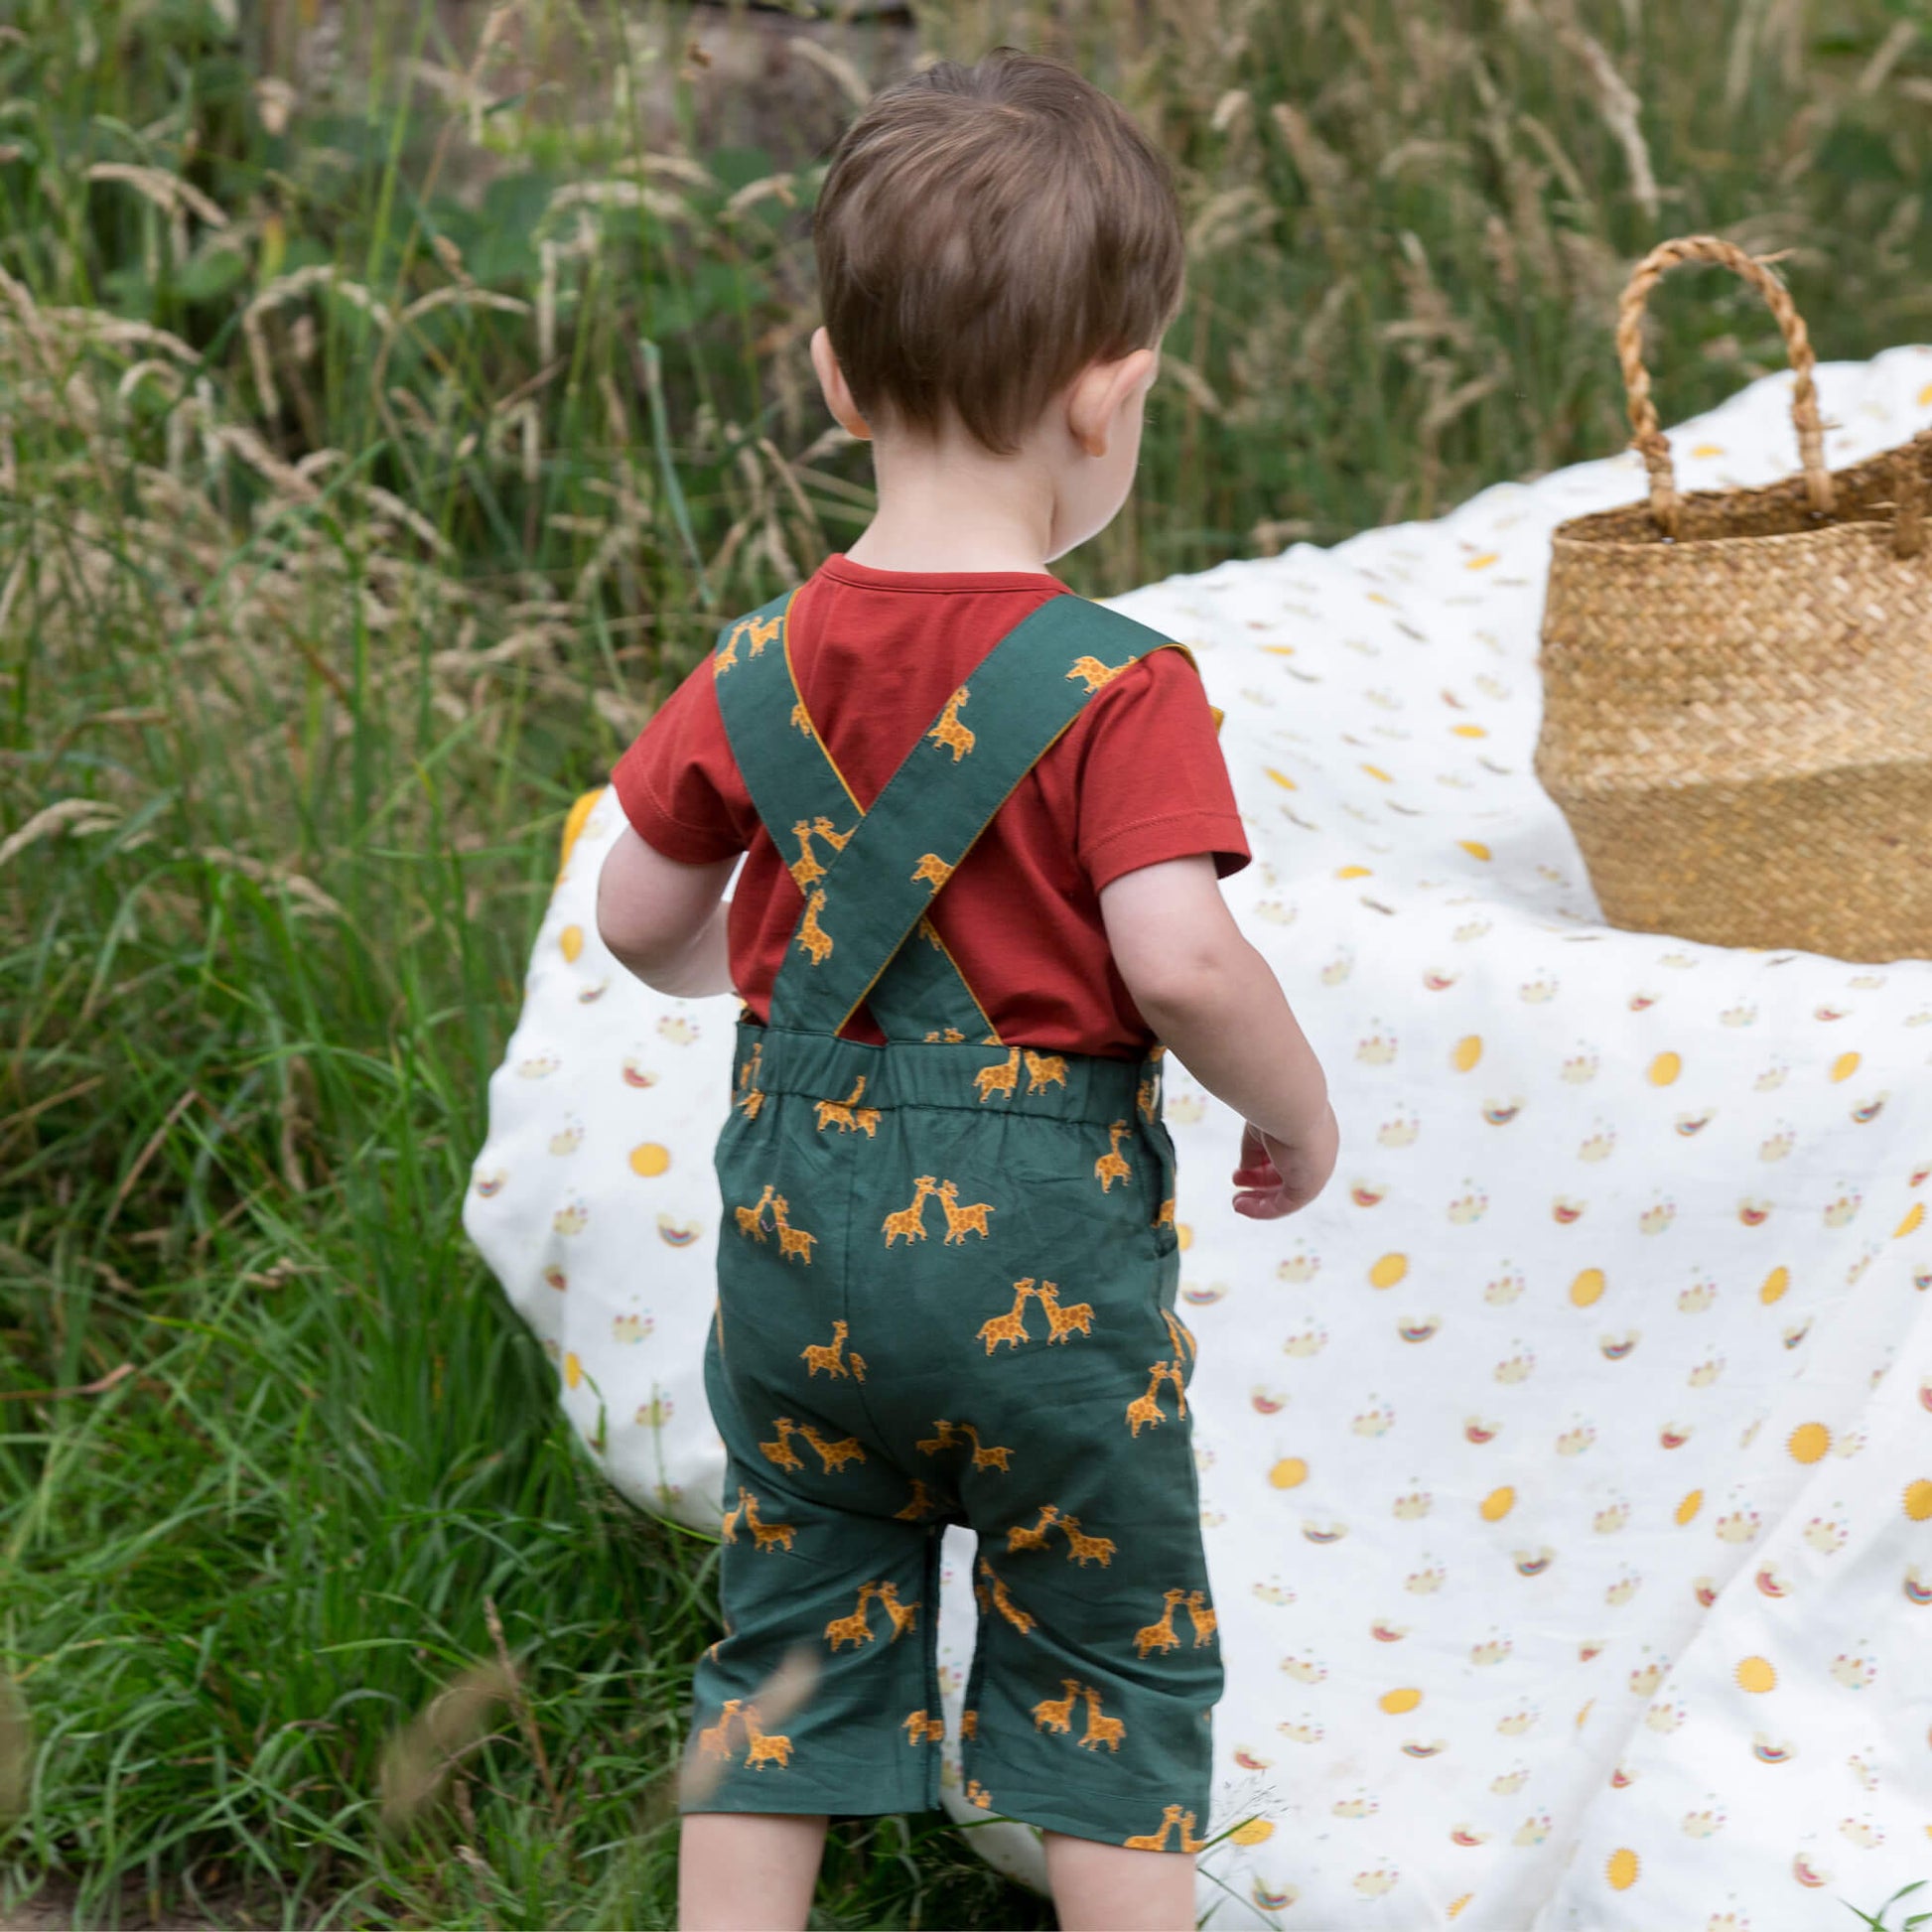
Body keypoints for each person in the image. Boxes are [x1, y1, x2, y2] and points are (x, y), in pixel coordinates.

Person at [596, 47, 1338, 1932]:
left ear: (836, 378)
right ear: (1115, 398)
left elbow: (635, 914)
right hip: (1044, 1293)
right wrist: (1295, 1104)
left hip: (797, 1259)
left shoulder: (755, 661)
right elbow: (1174, 953)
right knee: (1106, 1647)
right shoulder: (1120, 684)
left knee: (788, 1638)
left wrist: (721, 961)